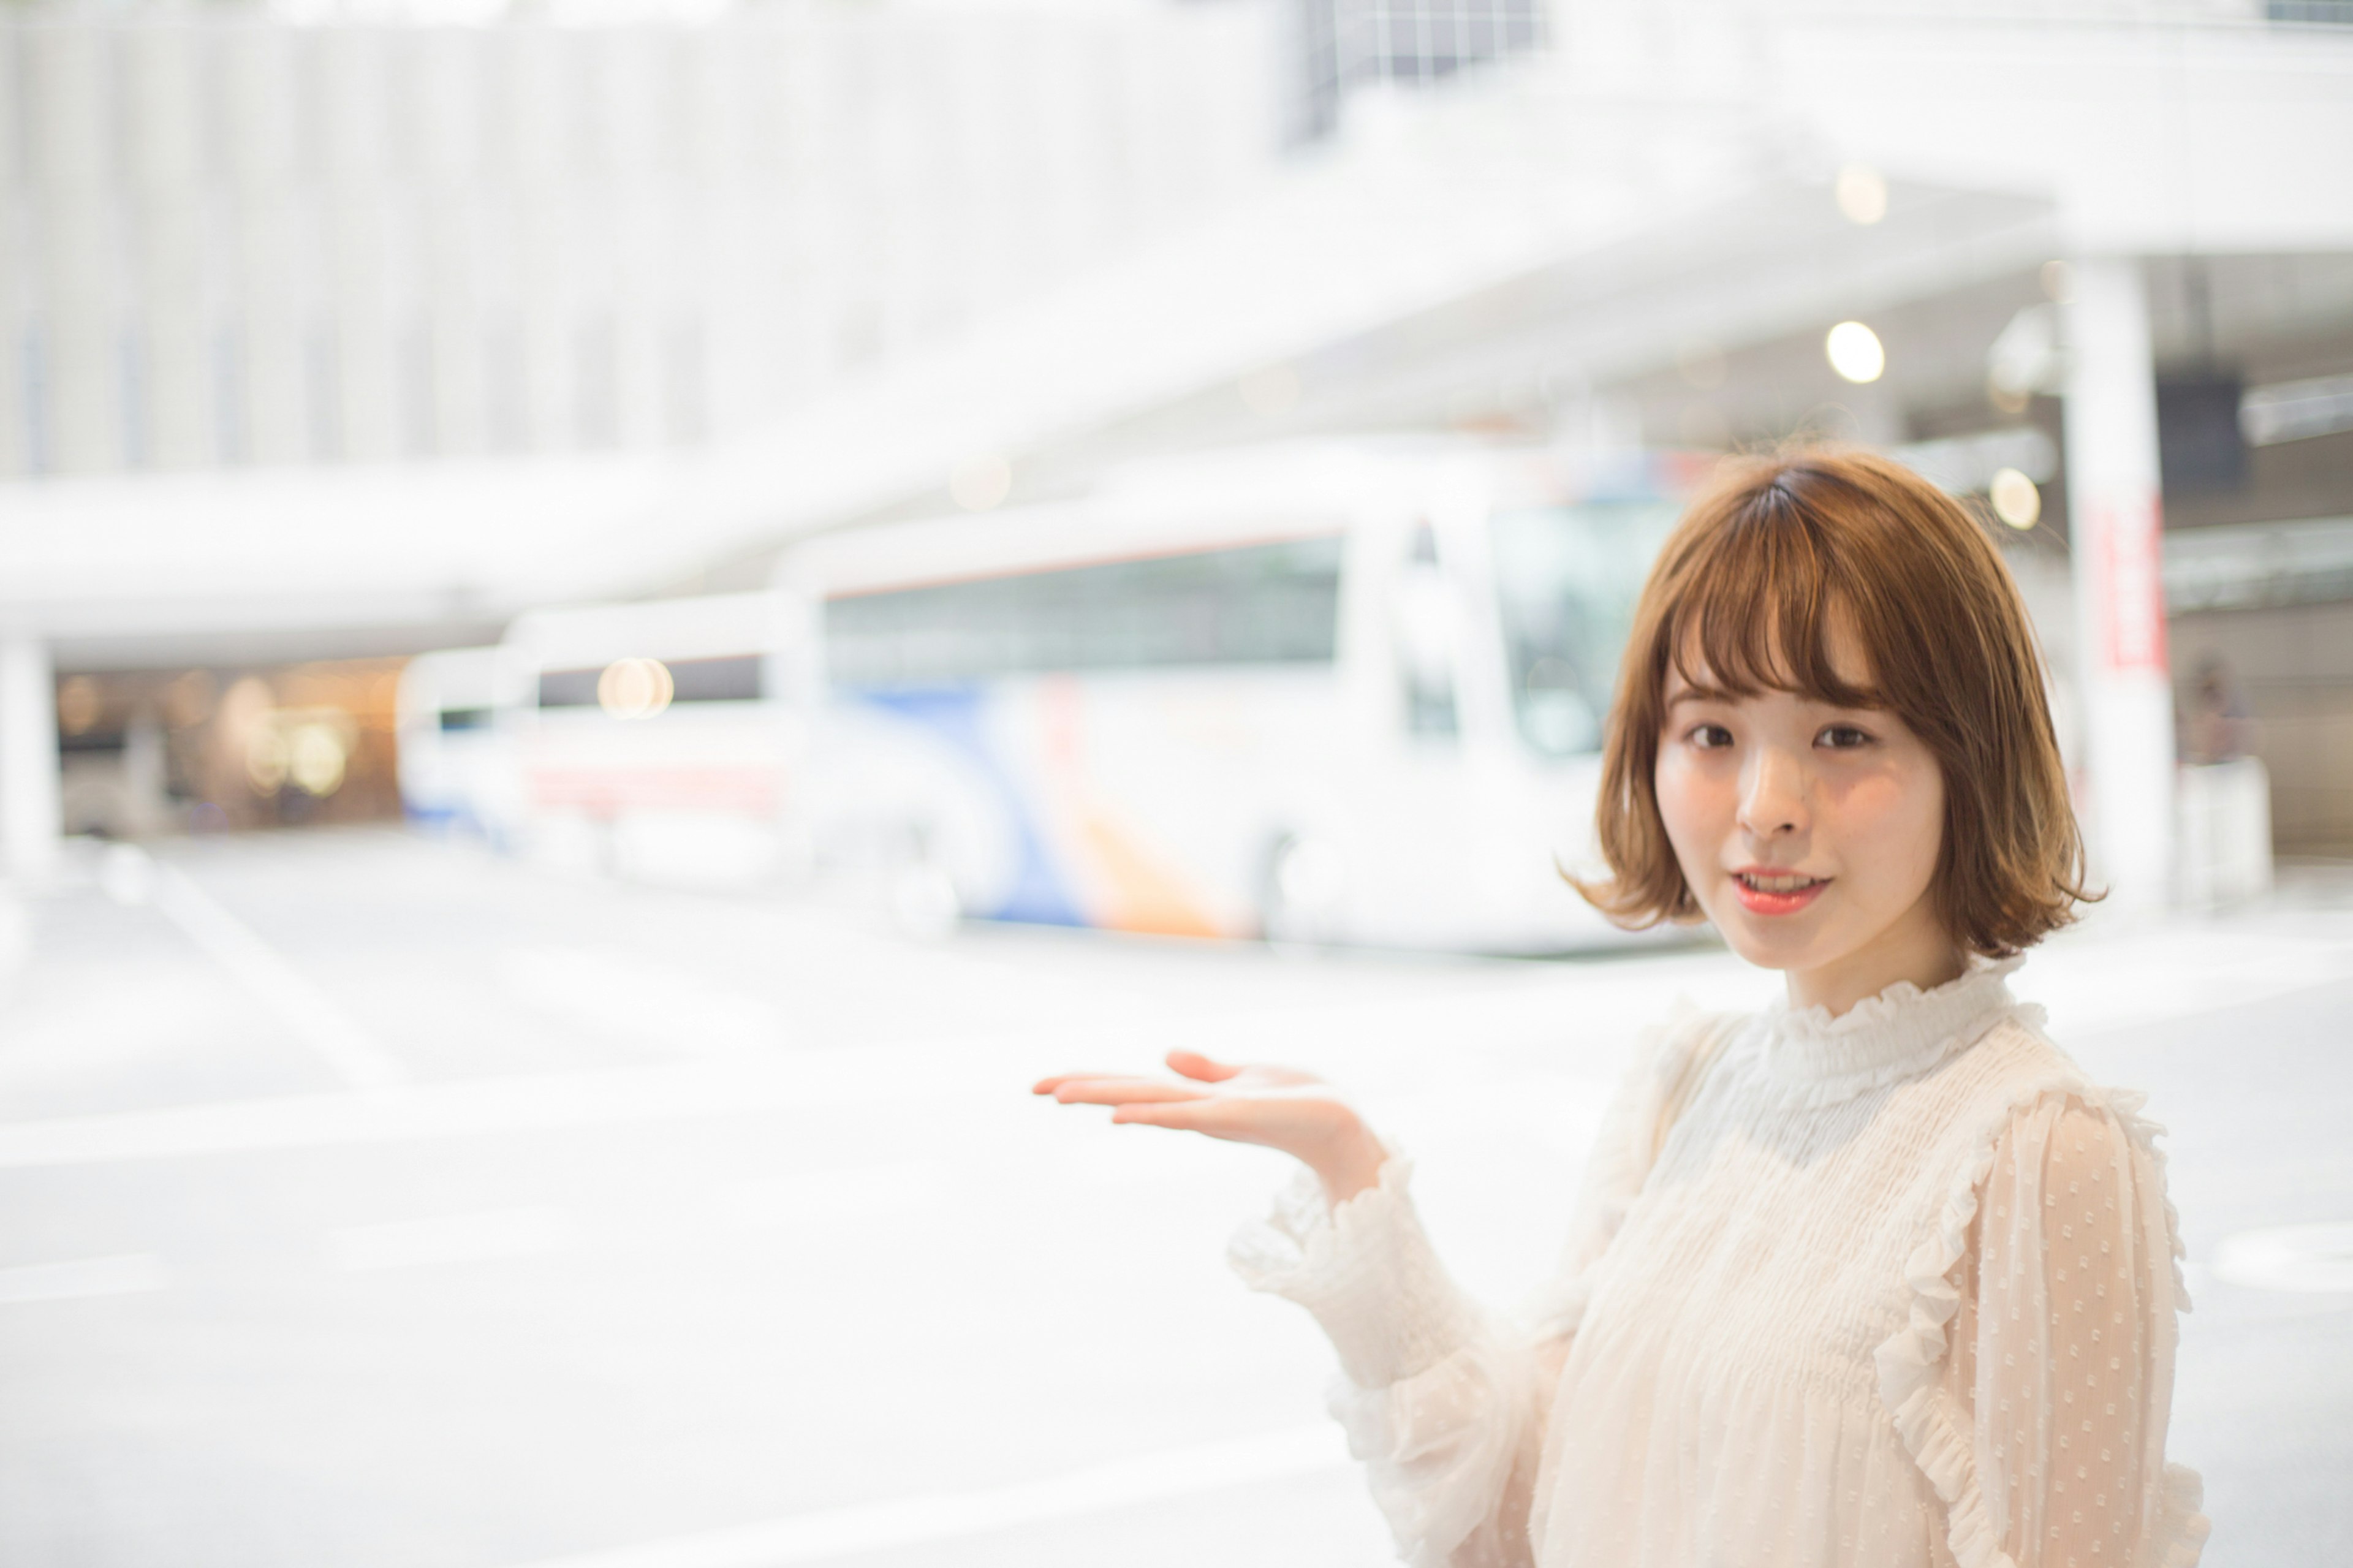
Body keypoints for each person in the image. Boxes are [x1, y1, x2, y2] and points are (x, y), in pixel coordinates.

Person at [1034, 449, 2210, 1568]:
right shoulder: (1685, 1088)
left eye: (1842, 734)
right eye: (1711, 733)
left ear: (1975, 753)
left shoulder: (2038, 1154)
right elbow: (1523, 1524)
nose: (1765, 805)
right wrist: (1352, 1171)